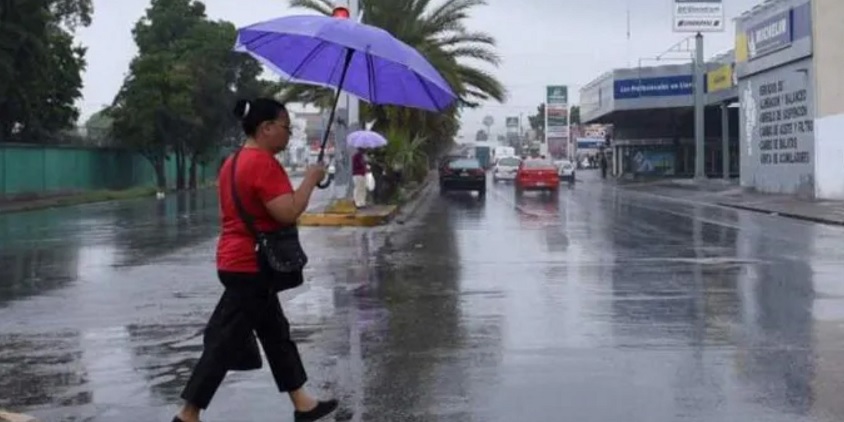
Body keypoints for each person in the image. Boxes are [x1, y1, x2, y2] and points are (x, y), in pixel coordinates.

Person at [174, 98, 338, 422]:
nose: (289, 135)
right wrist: (310, 179)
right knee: (223, 342)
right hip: (252, 267)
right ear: (266, 128)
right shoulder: (263, 164)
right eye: (286, 128)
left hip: (236, 260)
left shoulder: (232, 162)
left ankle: (303, 403)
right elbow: (287, 211)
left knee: (275, 333)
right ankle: (188, 414)